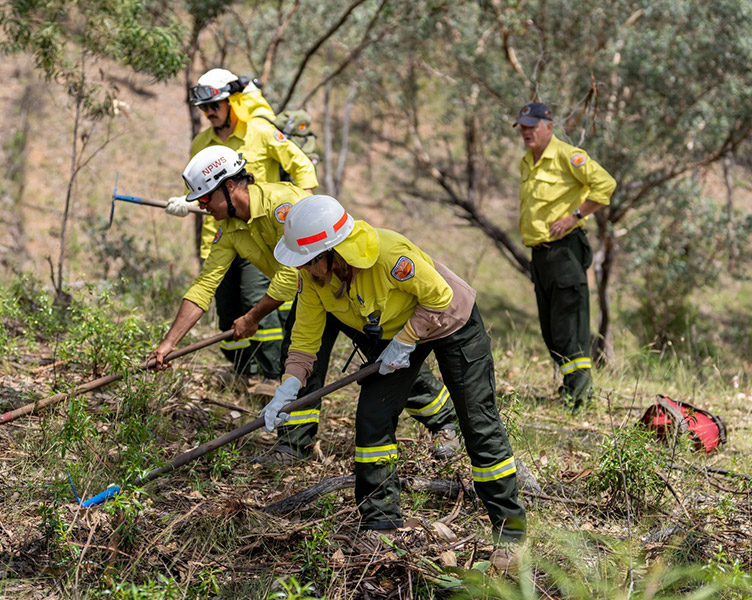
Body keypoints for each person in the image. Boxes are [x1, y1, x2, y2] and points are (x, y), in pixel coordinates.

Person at [153, 147, 461, 465]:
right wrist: (169, 342)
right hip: (310, 295)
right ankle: (293, 446)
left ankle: (445, 424)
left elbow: (289, 277)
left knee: (387, 360)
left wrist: (253, 316)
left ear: (229, 187)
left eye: (205, 199)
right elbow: (206, 285)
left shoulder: (283, 204)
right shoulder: (230, 229)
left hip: (344, 288)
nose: (203, 208)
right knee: (299, 362)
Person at [265, 195, 526, 568]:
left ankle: (511, 533)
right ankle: (380, 524)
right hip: (394, 333)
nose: (305, 270)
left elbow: (439, 296)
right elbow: (305, 341)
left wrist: (405, 341)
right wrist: (287, 389)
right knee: (372, 419)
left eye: (309, 262)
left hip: (450, 321)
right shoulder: (313, 281)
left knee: (477, 423)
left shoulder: (389, 254)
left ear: (333, 252)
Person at [163, 68, 319, 388]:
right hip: (226, 233)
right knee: (227, 309)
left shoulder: (259, 133)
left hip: (268, 232)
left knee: (255, 299)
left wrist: (305, 217)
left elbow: (301, 166)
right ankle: (244, 374)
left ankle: (274, 375)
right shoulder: (202, 144)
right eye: (203, 109)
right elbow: (202, 288)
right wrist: (169, 343)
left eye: (214, 106)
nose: (208, 114)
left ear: (232, 101)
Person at [514, 102, 616, 411]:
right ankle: (570, 390)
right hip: (541, 255)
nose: (527, 132)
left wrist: (575, 216)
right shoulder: (527, 161)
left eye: (532, 126)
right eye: (523, 127)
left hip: (564, 251)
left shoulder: (567, 156)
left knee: (569, 326)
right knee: (550, 328)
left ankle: (579, 398)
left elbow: (605, 185)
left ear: (549, 126)